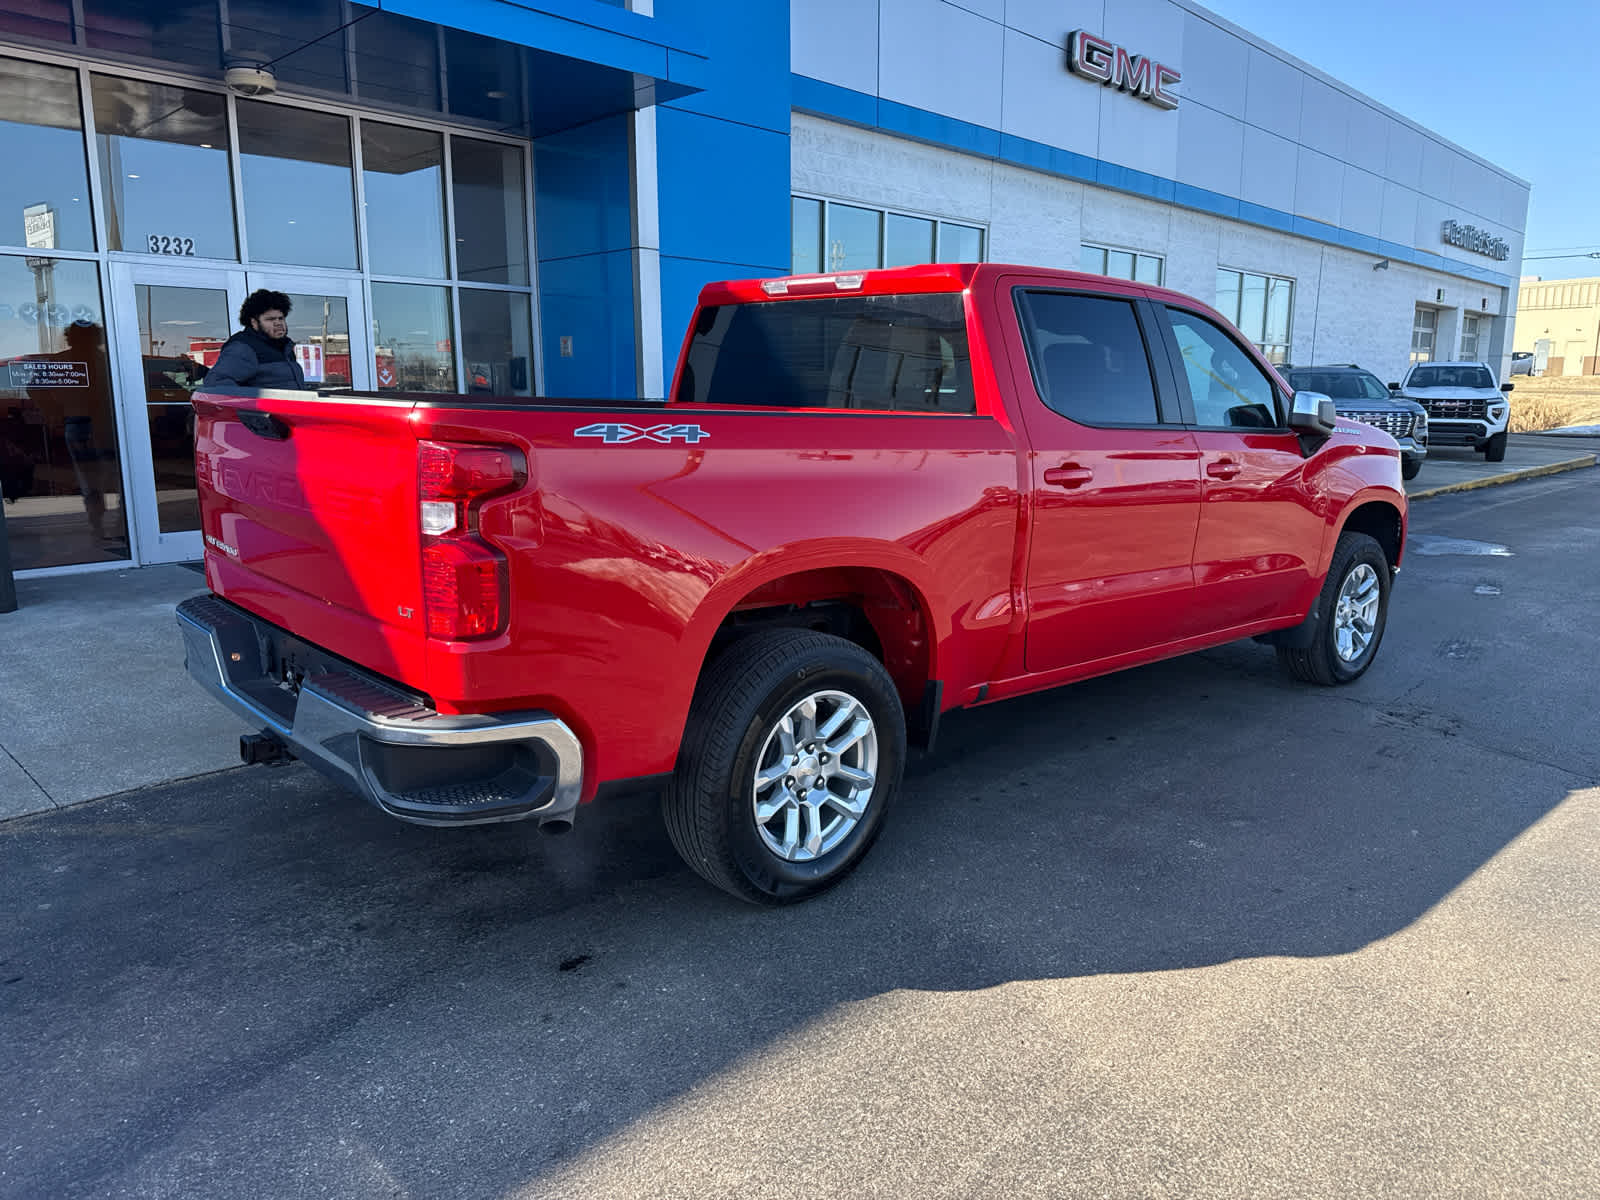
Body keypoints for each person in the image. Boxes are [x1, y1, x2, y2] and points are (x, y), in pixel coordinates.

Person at [204, 290, 309, 389]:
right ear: (254, 322)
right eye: (270, 319)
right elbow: (216, 384)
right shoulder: (243, 347)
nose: (278, 323)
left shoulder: (284, 347)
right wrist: (253, 406)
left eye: (281, 318)